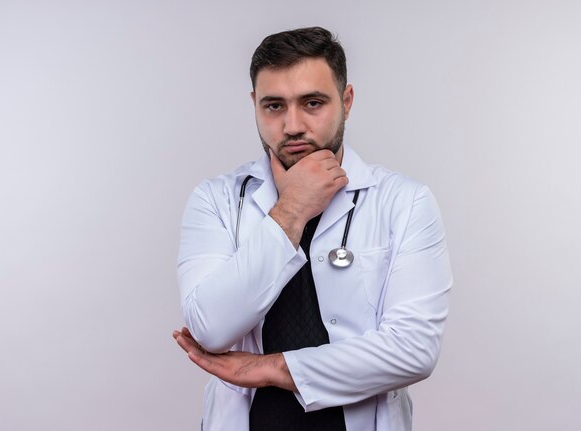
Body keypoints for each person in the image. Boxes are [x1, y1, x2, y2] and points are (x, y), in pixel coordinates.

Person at [173, 26, 452, 431]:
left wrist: (272, 368)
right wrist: (290, 210)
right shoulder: (215, 200)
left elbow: (414, 351)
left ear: (347, 101)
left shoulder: (403, 202)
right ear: (254, 104)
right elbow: (209, 329)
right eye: (273, 106)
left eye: (313, 103)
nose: (292, 125)